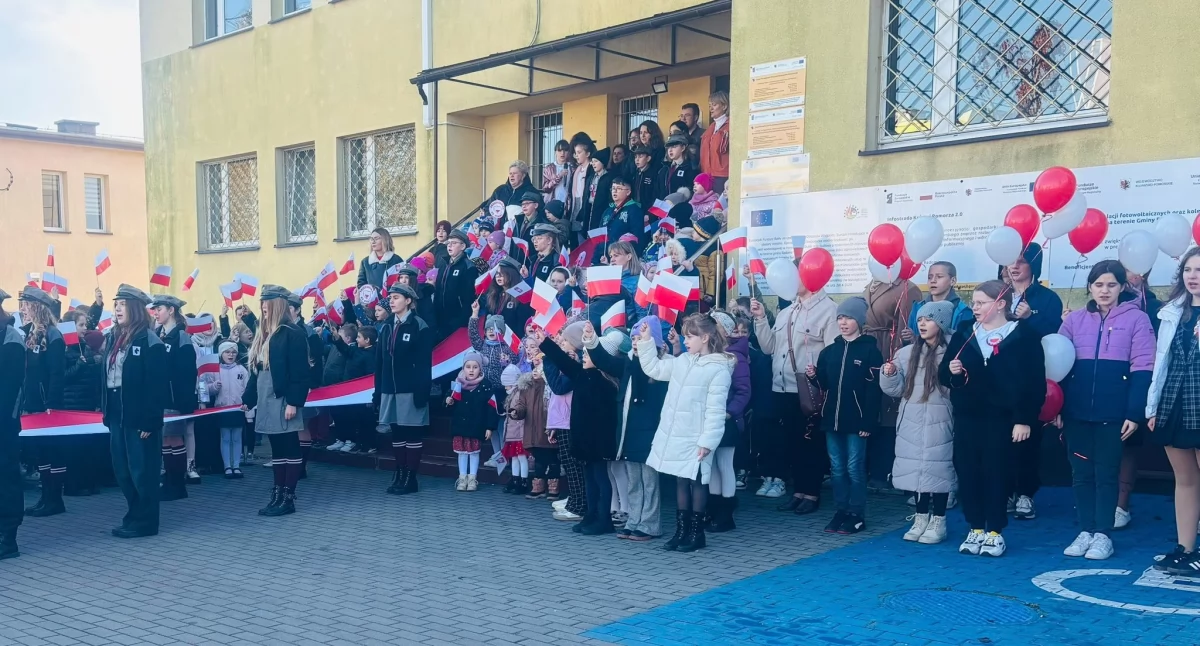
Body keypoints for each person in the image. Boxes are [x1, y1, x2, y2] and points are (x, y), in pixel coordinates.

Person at [1054, 260, 1154, 561]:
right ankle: (1086, 530)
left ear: (1122, 287)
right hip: (1077, 412)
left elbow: (1143, 367)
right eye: (1098, 284)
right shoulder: (1074, 321)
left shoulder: (1137, 319)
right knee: (1081, 473)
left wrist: (1134, 412)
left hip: (1114, 414)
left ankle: (1103, 535)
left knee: (1107, 474)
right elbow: (1057, 367)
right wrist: (1056, 407)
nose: (1104, 290)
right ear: (1090, 287)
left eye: (1111, 284)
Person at [940, 280, 1045, 558]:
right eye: (973, 302)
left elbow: (1034, 383)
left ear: (1000, 304)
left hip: (1003, 419)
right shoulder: (965, 332)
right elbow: (944, 375)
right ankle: (975, 527)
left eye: (981, 302)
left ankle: (995, 531)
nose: (974, 307)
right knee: (968, 472)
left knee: (997, 473)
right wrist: (953, 372)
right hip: (968, 417)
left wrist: (1024, 419)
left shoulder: (1024, 336)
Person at [635, 313, 734, 552]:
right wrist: (646, 341)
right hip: (677, 433)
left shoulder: (719, 369)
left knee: (697, 481)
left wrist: (708, 441)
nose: (685, 341)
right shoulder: (682, 362)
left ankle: (697, 533)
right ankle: (681, 531)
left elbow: (715, 410)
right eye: (685, 336)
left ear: (705, 337)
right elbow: (654, 369)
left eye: (690, 336)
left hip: (697, 436)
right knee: (681, 480)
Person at [750, 267, 838, 508]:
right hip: (782, 388)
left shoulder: (829, 309)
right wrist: (760, 319)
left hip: (809, 390)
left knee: (811, 443)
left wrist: (820, 380)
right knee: (792, 442)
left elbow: (832, 354)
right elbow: (769, 348)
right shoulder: (786, 312)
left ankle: (811, 493)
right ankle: (799, 491)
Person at [881, 301, 957, 545]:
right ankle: (921, 517)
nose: (922, 324)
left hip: (941, 419)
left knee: (938, 469)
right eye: (920, 319)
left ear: (942, 323)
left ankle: (939, 520)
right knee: (916, 469)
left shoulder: (954, 352)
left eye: (929, 319)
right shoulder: (906, 353)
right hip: (911, 420)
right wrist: (889, 374)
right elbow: (896, 390)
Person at [586, 316, 668, 540]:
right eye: (633, 338)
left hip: (651, 430)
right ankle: (634, 520)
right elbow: (604, 361)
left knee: (649, 482)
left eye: (640, 337)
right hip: (629, 430)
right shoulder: (629, 362)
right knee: (634, 480)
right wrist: (591, 340)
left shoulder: (662, 365)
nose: (635, 342)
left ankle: (650, 525)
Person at [998, 242, 1063, 521]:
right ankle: (1005, 491)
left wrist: (1028, 320)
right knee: (1000, 438)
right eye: (1010, 260)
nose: (1014, 266)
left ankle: (1026, 493)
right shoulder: (997, 294)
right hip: (1000, 377)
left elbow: (1054, 334)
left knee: (1028, 436)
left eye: (1022, 261)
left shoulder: (1047, 298)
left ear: (1033, 265)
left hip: (1031, 376)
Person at [807, 298, 883, 535]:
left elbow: (874, 390)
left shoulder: (870, 351)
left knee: (854, 468)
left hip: (857, 421)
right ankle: (840, 510)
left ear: (859, 321)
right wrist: (813, 376)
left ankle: (856, 514)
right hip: (832, 420)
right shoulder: (830, 351)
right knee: (837, 468)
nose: (843, 322)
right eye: (840, 318)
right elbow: (825, 385)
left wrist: (868, 422)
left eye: (848, 318)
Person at [1145, 249, 1200, 574]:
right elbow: (1160, 362)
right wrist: (1153, 407)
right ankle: (1185, 548)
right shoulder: (1171, 312)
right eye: (1188, 270)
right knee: (1185, 479)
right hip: (1174, 401)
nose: (1193, 276)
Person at [538, 322, 620, 533]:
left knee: (601, 478)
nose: (583, 356)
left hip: (599, 440)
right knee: (589, 478)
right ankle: (590, 515)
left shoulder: (606, 382)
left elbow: (605, 417)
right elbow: (563, 361)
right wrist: (545, 343)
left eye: (588, 354)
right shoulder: (582, 374)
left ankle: (604, 520)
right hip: (583, 437)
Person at [102, 285, 168, 538]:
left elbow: (156, 386)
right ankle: (134, 514)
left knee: (142, 470)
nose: (117, 309)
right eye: (116, 304)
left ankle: (147, 521)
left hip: (140, 414)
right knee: (122, 470)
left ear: (136, 308)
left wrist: (151, 421)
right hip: (116, 411)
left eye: (123, 304)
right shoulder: (114, 337)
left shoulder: (149, 340)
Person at [242, 286, 311, 517]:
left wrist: (293, 402)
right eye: (262, 303)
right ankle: (277, 494)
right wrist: (248, 398)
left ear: (278, 305)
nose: (263, 307)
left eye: (267, 303)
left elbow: (300, 372)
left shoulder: (292, 332)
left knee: (290, 445)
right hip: (266, 393)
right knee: (277, 448)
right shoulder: (264, 332)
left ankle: (288, 497)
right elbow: (256, 370)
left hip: (283, 396)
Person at [863, 267, 922, 493]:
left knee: (888, 412)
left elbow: (906, 328)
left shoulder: (907, 287)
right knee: (869, 408)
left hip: (888, 349)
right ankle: (867, 469)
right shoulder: (869, 286)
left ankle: (884, 471)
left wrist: (896, 359)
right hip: (868, 350)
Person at [1116, 268, 1164, 527]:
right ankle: (1101, 503)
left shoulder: (1155, 307)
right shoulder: (1104, 306)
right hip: (1108, 382)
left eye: (1133, 270)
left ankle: (1121, 505)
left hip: (1139, 381)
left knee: (1129, 444)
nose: (1129, 275)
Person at [375, 283, 434, 495]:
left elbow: (424, 363)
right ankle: (400, 473)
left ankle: (411, 477)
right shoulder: (386, 326)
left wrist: (422, 391)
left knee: (412, 434)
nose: (391, 301)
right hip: (389, 389)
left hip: (410, 389)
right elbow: (380, 362)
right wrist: (377, 391)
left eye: (396, 297)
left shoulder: (419, 325)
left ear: (408, 301)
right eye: (390, 297)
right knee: (397, 433)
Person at [17, 288, 67, 517]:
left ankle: (55, 499)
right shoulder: (31, 334)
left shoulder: (53, 335)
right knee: (41, 451)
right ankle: (45, 497)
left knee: (52, 450)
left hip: (48, 405)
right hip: (33, 403)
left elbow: (57, 374)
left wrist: (52, 404)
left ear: (37, 307)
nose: (23, 309)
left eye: (26, 305)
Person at [707, 312, 751, 533]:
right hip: (711, 417)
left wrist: (729, 412)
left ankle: (726, 513)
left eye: (714, 326)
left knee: (725, 464)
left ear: (723, 330)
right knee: (713, 465)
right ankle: (714, 508)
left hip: (727, 419)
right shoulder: (711, 353)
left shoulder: (735, 357)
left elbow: (743, 391)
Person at [544, 326, 584, 520]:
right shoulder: (567, 361)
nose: (562, 342)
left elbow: (559, 387)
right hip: (561, 419)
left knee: (574, 465)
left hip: (570, 420)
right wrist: (553, 424)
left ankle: (578, 504)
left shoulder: (574, 364)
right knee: (568, 463)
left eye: (566, 340)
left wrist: (549, 360)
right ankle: (574, 500)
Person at [0, 290, 25, 557]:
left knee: (5, 477)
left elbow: (9, 390)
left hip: (4, 424)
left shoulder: (11, 339)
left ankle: (8, 538)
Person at [445, 352, 493, 492]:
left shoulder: (485, 385)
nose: (471, 370)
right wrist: (448, 401)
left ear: (480, 369)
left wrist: (489, 427)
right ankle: (462, 477)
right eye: (468, 367)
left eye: (475, 367)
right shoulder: (457, 383)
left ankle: (472, 478)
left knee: (474, 452)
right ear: (463, 368)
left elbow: (491, 407)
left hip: (476, 425)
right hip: (460, 425)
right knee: (461, 452)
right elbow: (450, 400)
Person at [204, 341, 250, 478]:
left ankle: (236, 465)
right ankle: (227, 466)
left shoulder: (241, 370)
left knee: (236, 438)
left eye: (233, 352)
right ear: (221, 354)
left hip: (238, 409)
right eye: (227, 352)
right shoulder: (215, 370)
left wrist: (249, 410)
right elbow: (206, 389)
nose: (230, 355)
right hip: (222, 409)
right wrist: (214, 386)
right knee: (225, 438)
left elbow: (247, 389)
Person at [904, 261, 972, 344]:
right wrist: (911, 338)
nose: (933, 281)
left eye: (939, 277)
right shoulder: (918, 308)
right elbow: (910, 340)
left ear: (953, 281)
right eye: (929, 277)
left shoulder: (963, 312)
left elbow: (965, 344)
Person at [433, 229, 480, 341]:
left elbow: (469, 296)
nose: (449, 246)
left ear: (463, 246)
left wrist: (461, 319)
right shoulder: (443, 264)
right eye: (448, 243)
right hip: (440, 317)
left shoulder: (468, 267)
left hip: (456, 319)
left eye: (454, 243)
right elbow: (438, 290)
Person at [499, 364, 531, 495]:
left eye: (507, 384)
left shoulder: (518, 394)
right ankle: (516, 478)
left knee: (521, 457)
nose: (505, 387)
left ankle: (523, 481)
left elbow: (521, 412)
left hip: (519, 432)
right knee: (515, 457)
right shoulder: (513, 394)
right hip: (513, 432)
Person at [482, 258, 533, 336]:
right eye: (497, 273)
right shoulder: (493, 294)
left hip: (511, 339)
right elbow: (487, 319)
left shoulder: (520, 295)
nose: (498, 276)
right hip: (494, 338)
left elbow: (522, 323)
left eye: (502, 273)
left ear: (511, 274)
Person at [597, 177, 642, 264]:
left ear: (628, 192)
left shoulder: (634, 210)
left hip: (623, 259)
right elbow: (600, 236)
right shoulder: (607, 211)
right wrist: (596, 257)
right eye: (613, 188)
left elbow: (637, 236)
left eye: (619, 188)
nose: (615, 191)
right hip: (604, 257)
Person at [567, 133, 597, 243]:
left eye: (579, 152)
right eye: (575, 153)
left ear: (588, 153)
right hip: (575, 206)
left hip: (585, 206)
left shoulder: (592, 169)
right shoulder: (577, 170)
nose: (576, 155)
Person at [699, 91, 730, 193]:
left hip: (723, 175)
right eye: (709, 105)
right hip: (708, 175)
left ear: (724, 106)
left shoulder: (731, 126)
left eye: (714, 105)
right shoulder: (711, 128)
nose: (711, 108)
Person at [356, 227, 405, 293]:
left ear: (385, 240)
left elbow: (402, 282)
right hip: (372, 298)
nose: (373, 242)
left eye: (376, 238)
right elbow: (361, 284)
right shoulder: (365, 262)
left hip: (392, 296)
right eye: (371, 239)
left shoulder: (396, 260)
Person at [585, 148, 617, 233]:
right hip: (589, 209)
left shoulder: (609, 178)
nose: (593, 164)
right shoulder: (591, 177)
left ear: (602, 162)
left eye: (596, 161)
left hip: (602, 210)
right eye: (592, 161)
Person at [541, 139, 574, 205]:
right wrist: (559, 176)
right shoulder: (549, 168)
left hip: (568, 204)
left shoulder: (573, 167)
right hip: (552, 203)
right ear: (555, 152)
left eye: (565, 150)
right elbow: (546, 188)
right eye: (559, 150)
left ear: (569, 152)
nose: (562, 153)